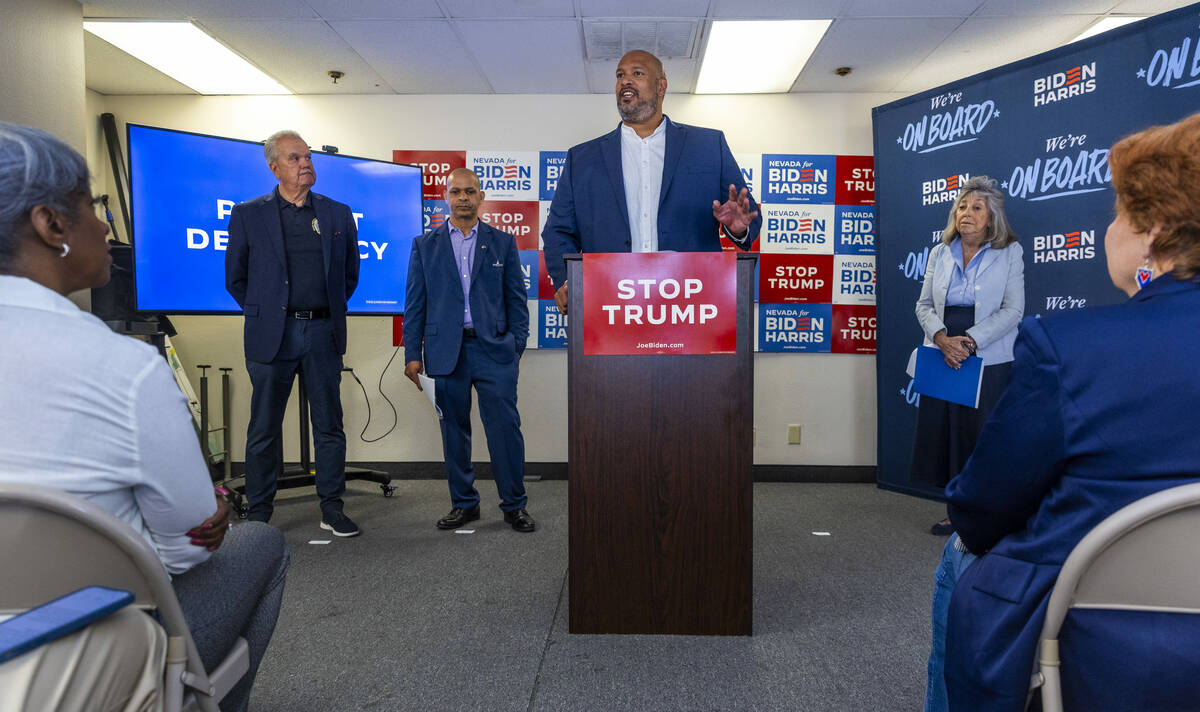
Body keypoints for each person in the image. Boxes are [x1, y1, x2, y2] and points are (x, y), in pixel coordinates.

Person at [0, 121, 289, 712]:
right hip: (87, 645)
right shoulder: (124, 366)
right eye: (89, 208)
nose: (105, 226)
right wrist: (213, 511)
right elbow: (187, 549)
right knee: (260, 542)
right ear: (50, 225)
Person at [926, 112, 1200, 712]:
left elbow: (979, 509)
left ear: (1151, 232)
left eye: (1116, 214)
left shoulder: (1070, 349)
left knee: (959, 554)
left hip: (1095, 640)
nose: (1107, 231)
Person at [541, 49, 761, 314]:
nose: (625, 81)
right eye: (620, 75)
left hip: (690, 307)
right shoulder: (583, 158)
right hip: (609, 306)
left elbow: (749, 218)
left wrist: (738, 229)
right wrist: (569, 281)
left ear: (661, 86)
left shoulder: (708, 146)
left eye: (637, 73)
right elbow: (557, 231)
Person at [225, 130, 362, 536]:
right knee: (264, 428)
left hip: (322, 332)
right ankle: (260, 513)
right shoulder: (248, 214)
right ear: (274, 167)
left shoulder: (337, 214)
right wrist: (268, 314)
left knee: (329, 426)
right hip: (273, 336)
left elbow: (349, 276)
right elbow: (237, 278)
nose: (305, 164)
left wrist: (321, 309)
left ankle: (332, 508)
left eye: (307, 157)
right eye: (295, 158)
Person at [403, 168, 535, 533]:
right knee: (454, 433)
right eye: (456, 192)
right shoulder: (424, 245)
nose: (463, 198)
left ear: (481, 197)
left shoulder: (503, 242)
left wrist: (515, 345)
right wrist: (412, 354)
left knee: (505, 430)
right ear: (446, 196)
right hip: (446, 354)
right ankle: (464, 504)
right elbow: (414, 304)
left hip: (494, 352)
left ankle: (514, 506)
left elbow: (516, 301)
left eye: (470, 192)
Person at [910, 176, 1024, 536]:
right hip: (943, 350)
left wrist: (969, 342)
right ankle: (955, 514)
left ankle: (987, 515)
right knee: (949, 436)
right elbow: (924, 304)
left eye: (977, 208)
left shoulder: (1010, 252)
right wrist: (943, 339)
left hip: (986, 353)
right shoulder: (940, 251)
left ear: (991, 218)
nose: (967, 213)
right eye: (962, 206)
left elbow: (1013, 310)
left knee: (982, 437)